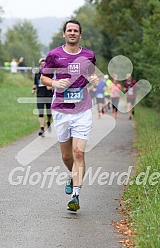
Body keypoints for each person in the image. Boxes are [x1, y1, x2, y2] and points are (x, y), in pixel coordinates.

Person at [40, 20, 99, 211]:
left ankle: (75, 195)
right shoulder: (54, 55)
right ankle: (72, 174)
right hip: (61, 110)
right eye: (69, 30)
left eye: (76, 30)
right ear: (64, 34)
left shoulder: (88, 55)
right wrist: (55, 84)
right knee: (66, 156)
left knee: (78, 152)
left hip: (82, 110)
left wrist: (94, 79)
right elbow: (44, 77)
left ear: (80, 35)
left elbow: (91, 74)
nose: (72, 33)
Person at [32, 58, 53, 136]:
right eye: (41, 64)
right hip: (40, 95)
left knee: (49, 112)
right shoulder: (37, 73)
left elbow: (54, 83)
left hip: (49, 95)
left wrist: (50, 86)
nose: (43, 65)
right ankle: (42, 129)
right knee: (41, 112)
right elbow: (35, 83)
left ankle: (48, 121)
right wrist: (33, 89)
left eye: (44, 64)